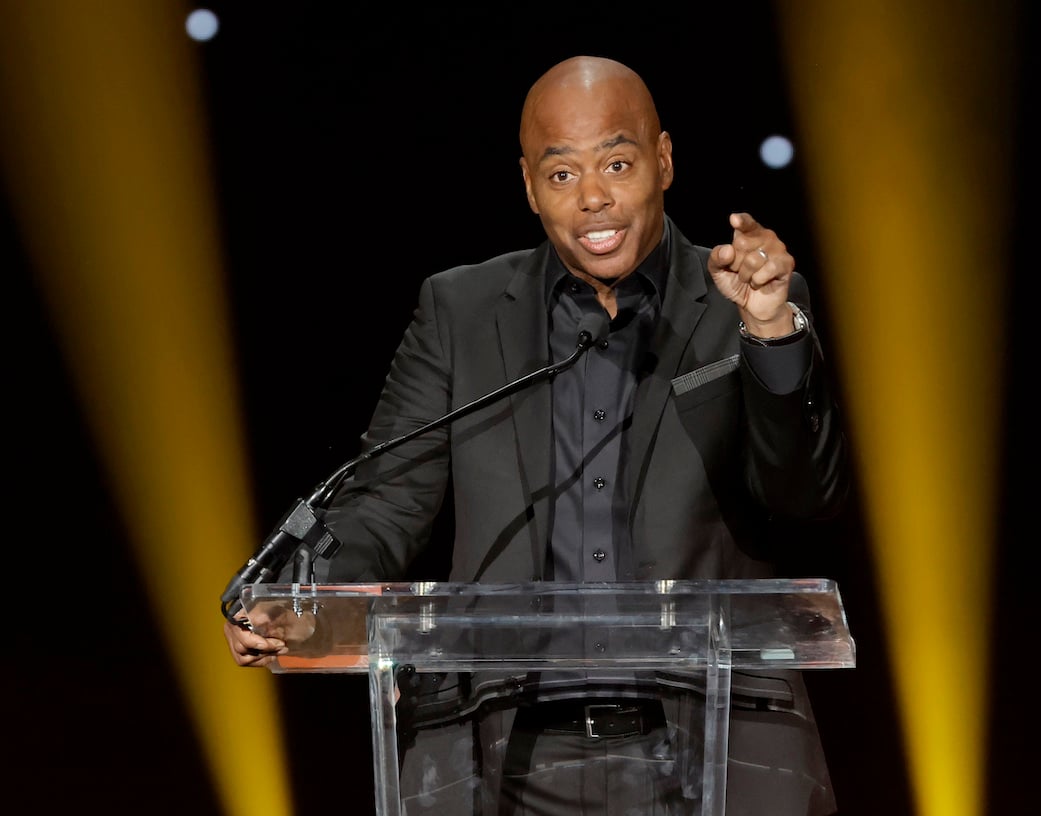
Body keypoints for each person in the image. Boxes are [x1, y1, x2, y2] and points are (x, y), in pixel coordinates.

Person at [224, 55, 849, 815]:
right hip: (502, 755)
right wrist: (304, 598)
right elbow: (388, 502)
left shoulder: (747, 302)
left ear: (664, 160)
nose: (593, 198)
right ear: (528, 186)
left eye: (617, 163)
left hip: (717, 744)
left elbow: (805, 495)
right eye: (561, 175)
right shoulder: (460, 312)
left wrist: (771, 330)